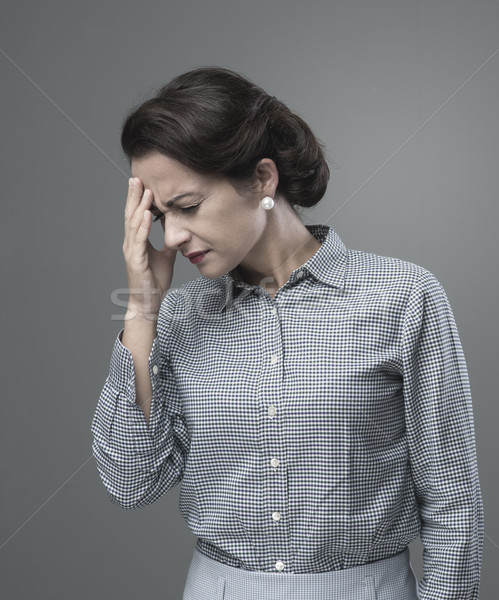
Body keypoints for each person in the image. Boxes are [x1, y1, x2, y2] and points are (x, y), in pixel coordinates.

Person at [91, 66, 483, 600]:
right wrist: (141, 309)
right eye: (161, 217)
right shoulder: (179, 318)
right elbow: (130, 484)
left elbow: (453, 500)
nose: (175, 235)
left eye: (187, 207)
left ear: (262, 179)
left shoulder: (403, 297)